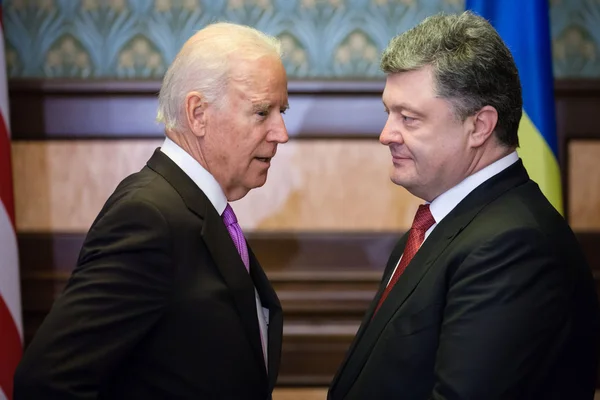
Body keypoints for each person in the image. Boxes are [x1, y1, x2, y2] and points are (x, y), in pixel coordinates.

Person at [328, 11, 600, 400]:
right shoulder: (440, 224)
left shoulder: (513, 247)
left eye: (409, 118)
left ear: (479, 126)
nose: (386, 134)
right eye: (388, 112)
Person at [14, 22, 289, 400]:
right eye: (262, 112)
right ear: (197, 113)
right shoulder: (148, 218)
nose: (281, 132)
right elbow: (46, 383)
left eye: (282, 111)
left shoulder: (194, 207)